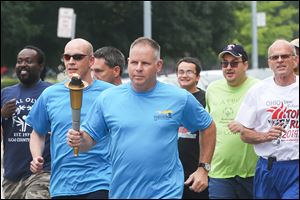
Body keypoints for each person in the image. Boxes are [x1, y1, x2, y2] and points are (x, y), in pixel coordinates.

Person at [67, 37, 216, 199]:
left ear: (158, 65)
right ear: (128, 63)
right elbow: (88, 141)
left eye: (145, 63)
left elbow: (208, 126)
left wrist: (203, 168)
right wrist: (79, 140)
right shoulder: (108, 98)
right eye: (134, 63)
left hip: (165, 191)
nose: (138, 68)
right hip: (122, 191)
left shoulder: (179, 98)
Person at [26, 38, 114, 199]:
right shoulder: (50, 94)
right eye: (67, 57)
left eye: (78, 57)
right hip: (63, 184)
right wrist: (36, 156)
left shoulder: (110, 93)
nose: (71, 62)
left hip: (101, 180)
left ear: (91, 60)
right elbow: (37, 132)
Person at [235, 39, 299, 199]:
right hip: (268, 167)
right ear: (269, 62)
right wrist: (265, 136)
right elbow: (244, 134)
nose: (280, 61)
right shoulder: (257, 91)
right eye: (275, 57)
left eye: (285, 56)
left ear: (295, 59)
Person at [205, 44, 260, 199]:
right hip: (219, 173)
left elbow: (268, 126)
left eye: (234, 63)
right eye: (225, 64)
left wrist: (245, 128)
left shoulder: (258, 88)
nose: (229, 68)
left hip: (252, 172)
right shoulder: (212, 89)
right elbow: (207, 129)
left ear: (245, 65)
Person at [1, 45, 52, 199]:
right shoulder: (6, 93)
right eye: (19, 61)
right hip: (12, 174)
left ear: (40, 66)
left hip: (42, 171)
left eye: (29, 61)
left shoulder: (51, 92)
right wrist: (2, 114)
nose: (23, 65)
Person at [176, 57, 209, 199]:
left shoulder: (206, 99)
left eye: (189, 72)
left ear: (198, 77)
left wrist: (204, 168)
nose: (184, 75)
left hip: (197, 170)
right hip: (174, 171)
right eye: (181, 72)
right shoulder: (172, 98)